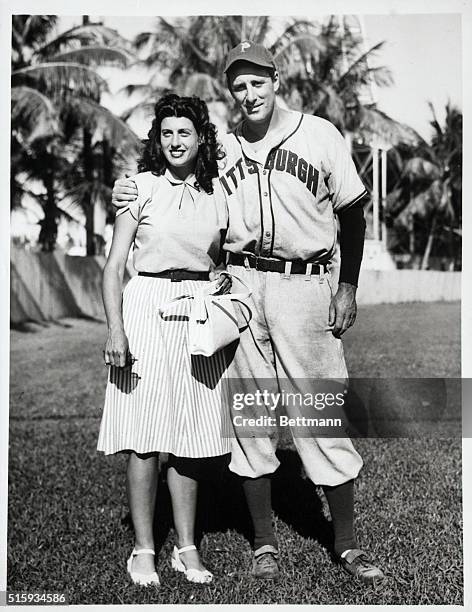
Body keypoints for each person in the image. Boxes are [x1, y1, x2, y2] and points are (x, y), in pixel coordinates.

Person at [112, 42, 384, 586]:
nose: (249, 93)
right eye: (238, 85)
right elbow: (174, 174)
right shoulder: (226, 149)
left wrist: (347, 287)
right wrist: (127, 185)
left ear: (276, 79)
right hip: (238, 284)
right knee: (253, 418)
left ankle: (347, 545)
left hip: (305, 284)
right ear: (231, 92)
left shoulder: (320, 134)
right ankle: (264, 542)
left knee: (320, 410)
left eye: (257, 81)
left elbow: (352, 215)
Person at [98, 93, 232, 587]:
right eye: (167, 133)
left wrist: (216, 284)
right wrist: (116, 329)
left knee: (192, 437)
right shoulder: (139, 189)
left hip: (197, 314)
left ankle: (188, 547)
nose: (176, 142)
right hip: (146, 309)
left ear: (202, 141)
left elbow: (223, 259)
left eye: (185, 133)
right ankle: (143, 549)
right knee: (145, 435)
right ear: (157, 139)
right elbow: (113, 269)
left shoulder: (218, 193)